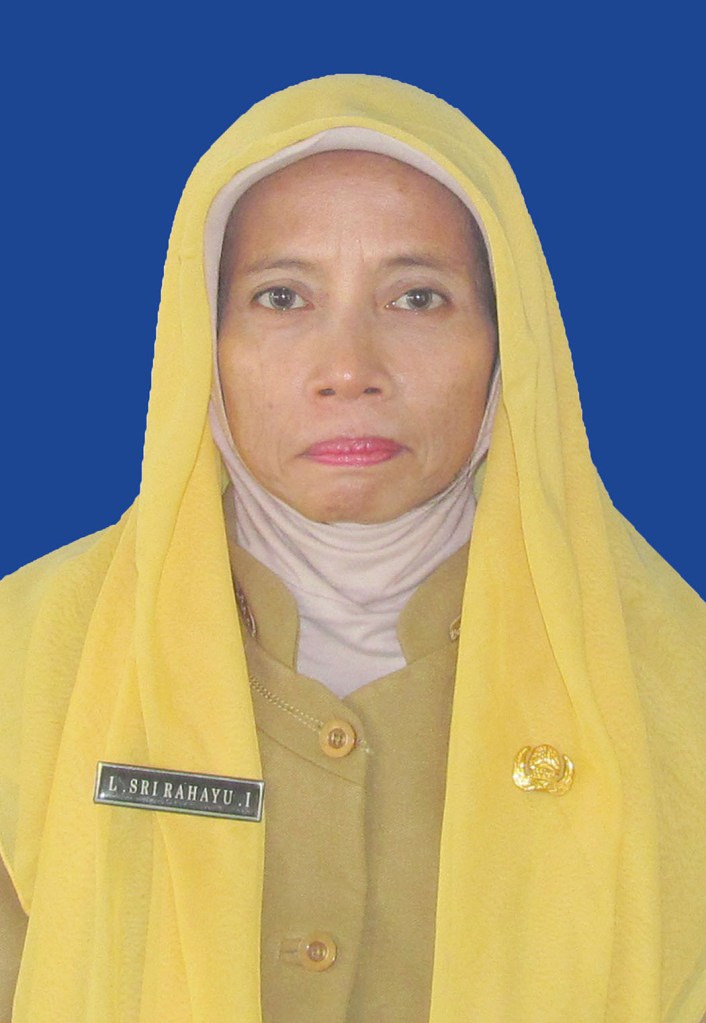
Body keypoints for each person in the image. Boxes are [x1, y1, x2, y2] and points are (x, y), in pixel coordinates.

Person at [0, 74, 704, 1023]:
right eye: (281, 296)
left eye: (417, 297)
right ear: (202, 340)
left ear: (509, 345)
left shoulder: (673, 678)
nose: (348, 370)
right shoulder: (26, 659)